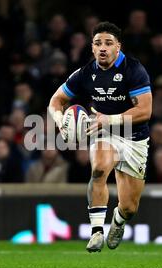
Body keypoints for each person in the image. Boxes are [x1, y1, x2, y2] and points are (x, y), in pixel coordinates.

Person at [48, 22, 153, 252]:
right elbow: (55, 101)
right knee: (99, 168)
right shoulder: (85, 73)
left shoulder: (133, 70)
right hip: (104, 132)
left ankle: (118, 221)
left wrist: (110, 119)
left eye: (108, 43)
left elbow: (145, 111)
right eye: (98, 43)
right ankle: (96, 231)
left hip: (135, 138)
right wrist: (60, 123)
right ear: (92, 48)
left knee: (129, 207)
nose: (102, 48)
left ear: (118, 47)